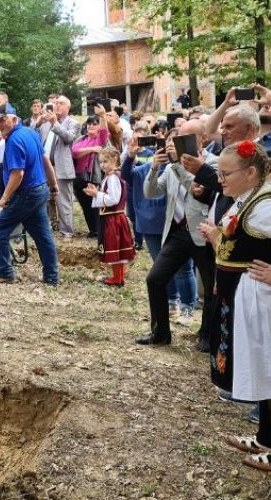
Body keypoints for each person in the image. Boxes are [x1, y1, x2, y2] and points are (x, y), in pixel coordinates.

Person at [197, 141, 271, 472]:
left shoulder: (267, 205)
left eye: (226, 174)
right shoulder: (250, 197)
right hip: (249, 295)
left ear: (251, 172)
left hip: (264, 298)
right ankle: (266, 436)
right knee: (262, 368)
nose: (221, 181)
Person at [138, 119, 220, 350]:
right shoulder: (172, 166)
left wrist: (178, 164)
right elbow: (151, 192)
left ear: (203, 139)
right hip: (177, 231)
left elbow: (197, 191)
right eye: (177, 138)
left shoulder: (214, 163)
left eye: (187, 138)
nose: (180, 143)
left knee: (211, 285)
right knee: (155, 279)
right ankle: (160, 332)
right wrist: (155, 167)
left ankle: (206, 335)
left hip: (204, 233)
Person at [122, 128, 197, 325]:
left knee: (183, 269)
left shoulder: (188, 167)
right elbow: (137, 183)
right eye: (166, 143)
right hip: (151, 224)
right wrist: (133, 157)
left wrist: (174, 162)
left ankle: (188, 306)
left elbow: (195, 189)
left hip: (179, 226)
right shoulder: (150, 166)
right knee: (161, 267)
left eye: (174, 142)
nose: (169, 147)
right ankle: (172, 301)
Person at [0, 104, 60, 285]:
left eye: (3, 120)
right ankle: (51, 277)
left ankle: (5, 273)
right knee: (42, 235)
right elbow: (45, 160)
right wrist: (53, 184)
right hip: (40, 190)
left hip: (26, 194)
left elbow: (17, 174)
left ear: (14, 119)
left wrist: (4, 198)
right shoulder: (30, 133)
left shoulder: (14, 141)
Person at [83, 146, 135, 286]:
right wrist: (96, 193)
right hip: (113, 218)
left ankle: (117, 278)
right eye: (100, 162)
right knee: (117, 249)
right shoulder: (112, 176)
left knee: (114, 248)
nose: (102, 165)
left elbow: (113, 199)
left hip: (113, 219)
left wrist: (96, 194)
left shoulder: (113, 178)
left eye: (105, 161)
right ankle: (118, 277)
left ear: (115, 160)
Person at [38, 95, 81, 239]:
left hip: (60, 167)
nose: (57, 106)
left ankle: (67, 232)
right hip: (44, 167)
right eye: (55, 103)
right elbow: (33, 136)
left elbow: (68, 138)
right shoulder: (45, 123)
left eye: (61, 103)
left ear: (68, 107)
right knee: (43, 199)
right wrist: (38, 123)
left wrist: (55, 124)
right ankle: (47, 228)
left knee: (63, 201)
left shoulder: (72, 123)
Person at [71, 105, 109, 238]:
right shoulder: (81, 139)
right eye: (89, 124)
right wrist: (92, 149)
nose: (91, 126)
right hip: (79, 177)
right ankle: (93, 230)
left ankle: (100, 230)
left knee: (95, 204)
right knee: (85, 205)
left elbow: (104, 130)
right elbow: (74, 152)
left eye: (94, 124)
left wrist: (103, 115)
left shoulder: (101, 138)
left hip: (93, 177)